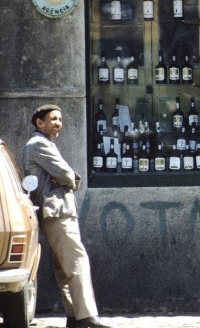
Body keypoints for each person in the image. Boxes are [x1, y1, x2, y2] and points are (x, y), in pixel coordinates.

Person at [22, 105, 110, 328]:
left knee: (64, 267)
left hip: (54, 210)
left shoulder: (43, 143)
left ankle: (74, 315)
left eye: (60, 119)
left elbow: (61, 175)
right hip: (57, 210)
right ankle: (87, 316)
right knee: (77, 261)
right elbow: (67, 174)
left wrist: (63, 178)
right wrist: (70, 179)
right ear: (39, 123)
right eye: (52, 119)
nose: (58, 123)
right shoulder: (39, 144)